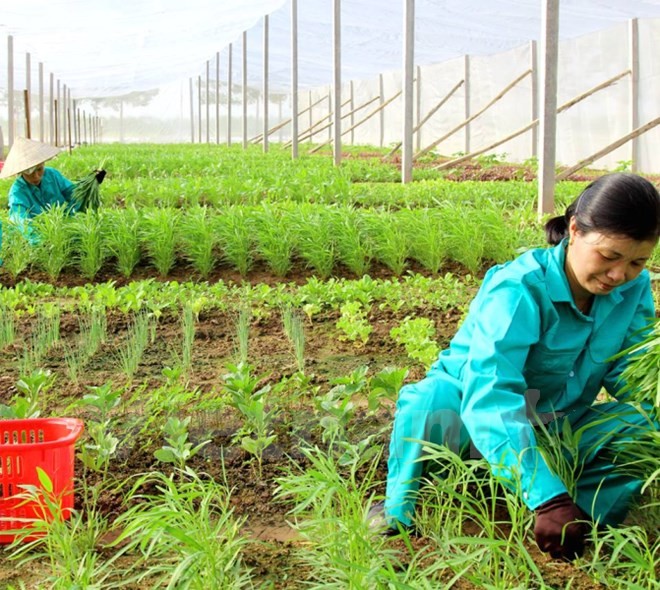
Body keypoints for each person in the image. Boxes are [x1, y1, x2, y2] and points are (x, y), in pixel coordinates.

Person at [370, 172, 660, 560]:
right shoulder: (519, 288)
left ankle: (581, 522)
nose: (619, 275)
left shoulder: (631, 289)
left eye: (637, 262)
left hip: (556, 424)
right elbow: (490, 396)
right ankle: (400, 513)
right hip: (471, 427)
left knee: (643, 425)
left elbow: (636, 376)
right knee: (430, 399)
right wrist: (546, 497)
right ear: (574, 230)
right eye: (609, 256)